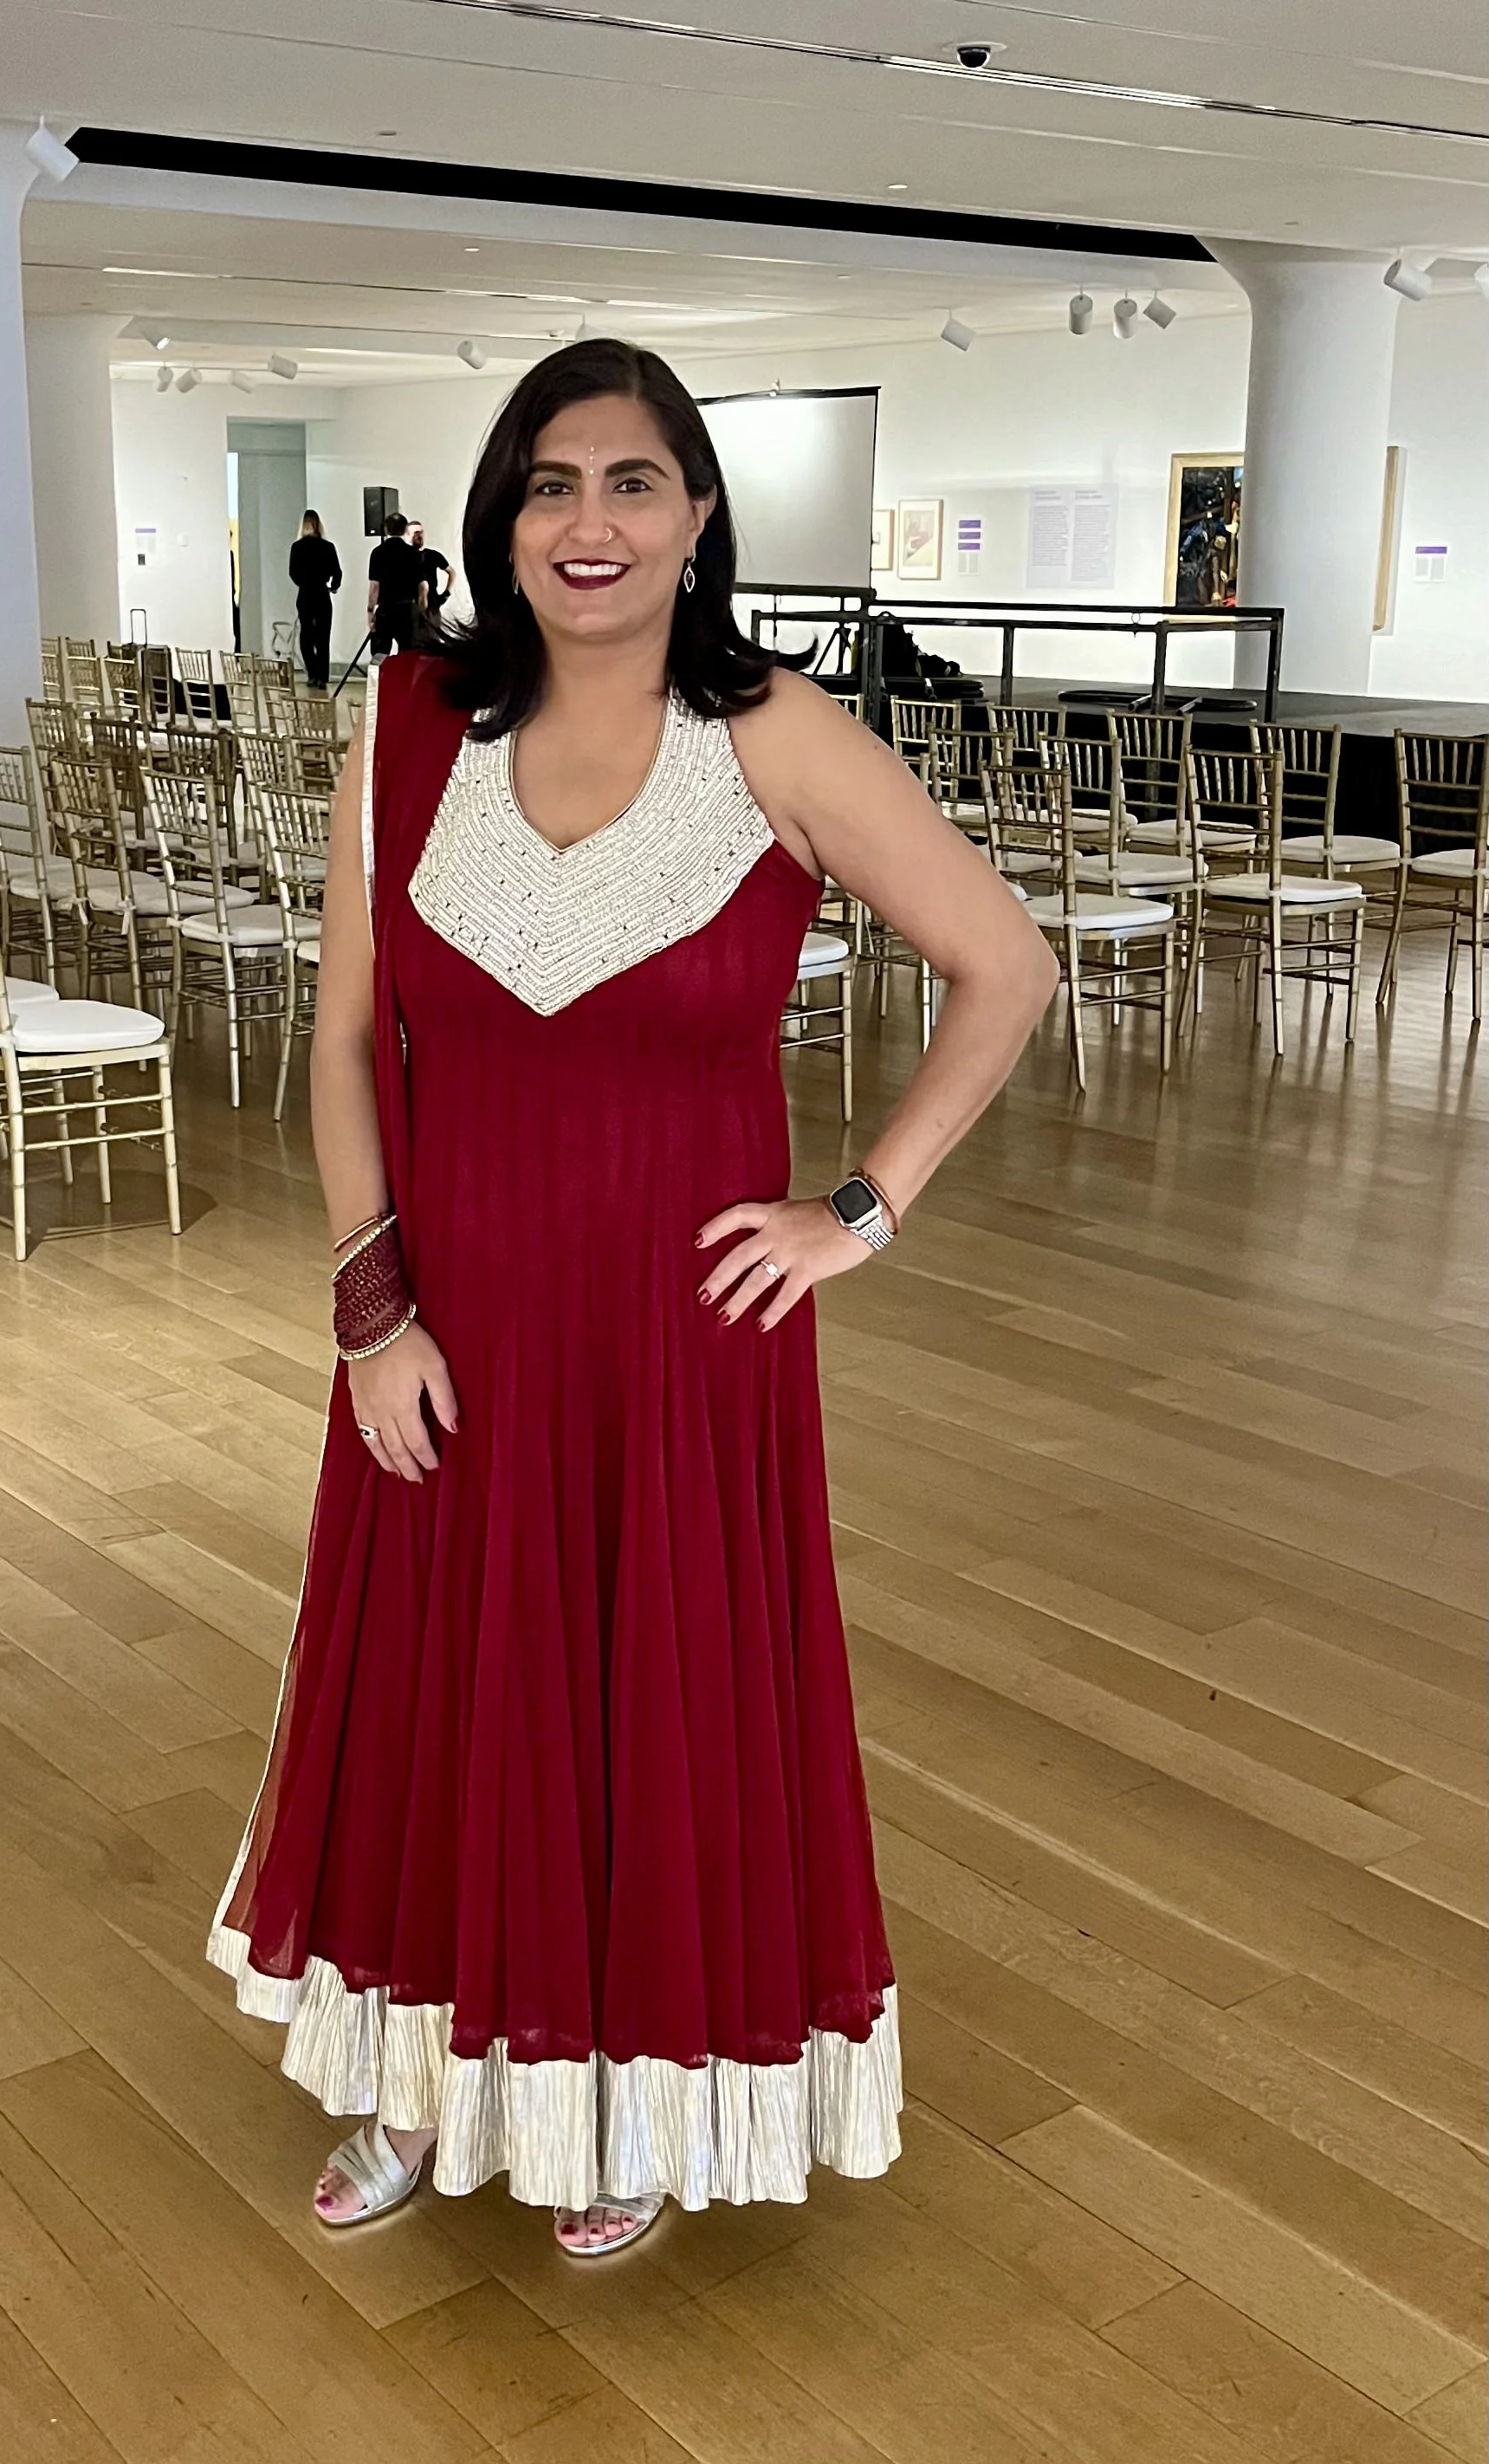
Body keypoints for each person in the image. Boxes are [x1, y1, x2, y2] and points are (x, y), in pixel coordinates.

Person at [208, 338, 1057, 2257]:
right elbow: (345, 1040)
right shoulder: (409, 718)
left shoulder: (777, 732)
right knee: (436, 1699)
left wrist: (857, 1207)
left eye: (630, 485)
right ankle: (418, 2074)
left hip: (684, 1349)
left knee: (649, 1706)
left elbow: (1001, 965)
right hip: (448, 1331)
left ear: (694, 519)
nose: (586, 524)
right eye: (547, 485)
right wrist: (370, 1311)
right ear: (501, 519)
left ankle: (633, 2089)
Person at [288, 510, 342, 691]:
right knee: (323, 636)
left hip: (305, 594)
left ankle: (312, 674)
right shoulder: (328, 547)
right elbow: (337, 572)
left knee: (306, 635)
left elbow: (293, 573)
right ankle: (322, 676)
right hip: (321, 593)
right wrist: (333, 586)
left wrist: (304, 582)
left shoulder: (297, 547)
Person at [367, 510, 424, 658]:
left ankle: (381, 680)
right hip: (407, 610)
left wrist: (370, 611)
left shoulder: (378, 553)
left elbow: (374, 587)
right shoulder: (414, 554)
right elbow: (422, 587)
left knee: (379, 653)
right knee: (408, 654)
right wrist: (421, 611)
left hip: (386, 610)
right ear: (405, 529)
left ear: (386, 529)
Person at [407, 518, 456, 635]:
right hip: (411, 607)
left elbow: (452, 573)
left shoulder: (433, 555)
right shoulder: (405, 557)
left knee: (432, 641)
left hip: (432, 605)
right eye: (415, 533)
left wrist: (446, 594)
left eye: (420, 532)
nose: (419, 536)